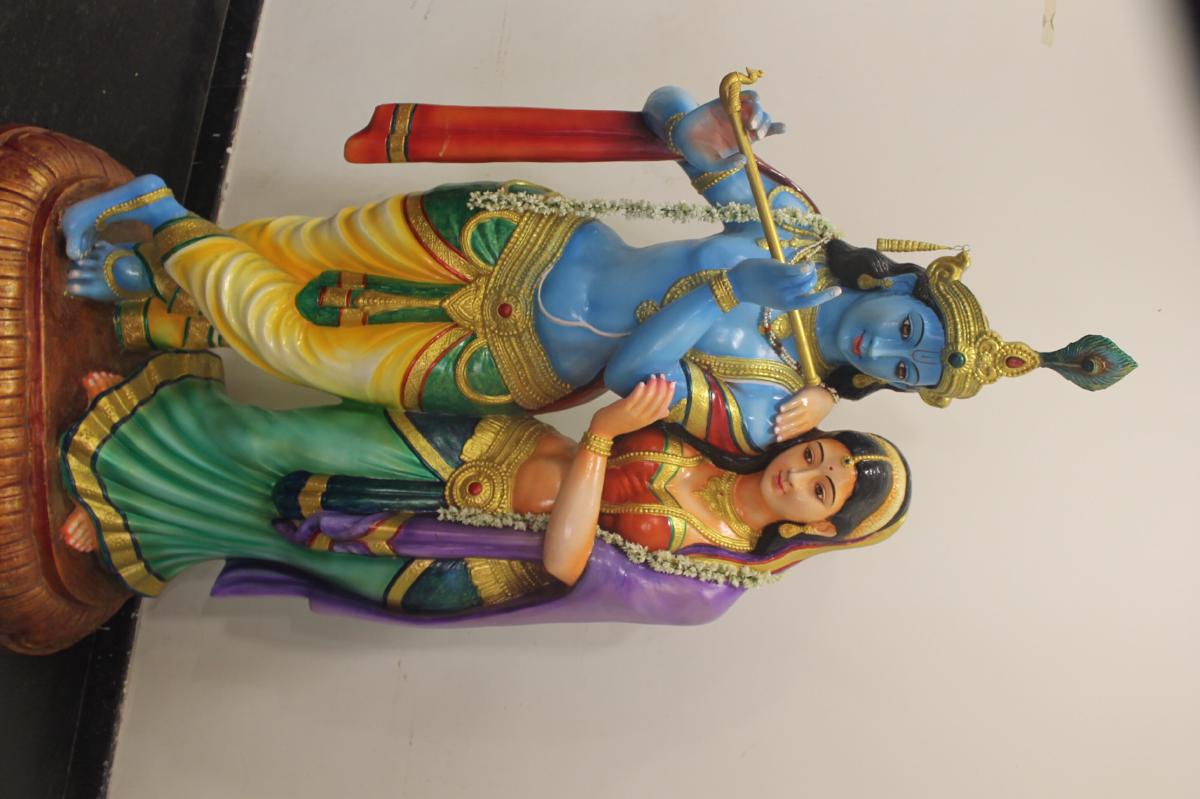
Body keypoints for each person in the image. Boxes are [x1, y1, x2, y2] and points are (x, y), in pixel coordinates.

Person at [60, 87, 1134, 454]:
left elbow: (630, 380)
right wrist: (716, 125)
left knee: (299, 346)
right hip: (518, 236)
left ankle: (158, 223)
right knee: (301, 251)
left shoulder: (772, 405)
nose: (885, 349)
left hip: (515, 362)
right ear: (900, 284)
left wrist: (727, 291)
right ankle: (155, 267)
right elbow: (677, 120)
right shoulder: (801, 234)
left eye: (904, 369)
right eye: (909, 331)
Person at [59, 354, 909, 625]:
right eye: (819, 454)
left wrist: (603, 438)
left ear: (820, 528)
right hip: (487, 447)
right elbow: (685, 336)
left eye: (822, 490)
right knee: (281, 437)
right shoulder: (731, 436)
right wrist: (815, 387)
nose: (802, 473)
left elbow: (569, 562)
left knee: (269, 531)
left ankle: (129, 516)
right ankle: (141, 420)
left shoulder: (712, 584)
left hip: (455, 555)